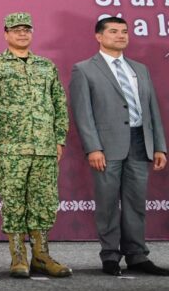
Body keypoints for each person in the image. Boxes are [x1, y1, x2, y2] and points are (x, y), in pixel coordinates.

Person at [70, 16, 168, 276]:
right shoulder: (84, 69)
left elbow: (152, 109)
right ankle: (110, 255)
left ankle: (137, 255)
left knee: (136, 203)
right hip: (106, 146)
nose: (121, 36)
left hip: (140, 142)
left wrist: (159, 146)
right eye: (113, 31)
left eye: (124, 31)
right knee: (108, 203)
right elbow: (82, 113)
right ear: (99, 36)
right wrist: (93, 147)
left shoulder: (140, 69)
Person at [0, 13, 72, 278]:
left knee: (44, 202)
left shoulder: (46, 66)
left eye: (26, 29)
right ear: (6, 33)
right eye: (16, 29)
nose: (22, 33)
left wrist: (59, 138)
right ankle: (18, 257)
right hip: (11, 148)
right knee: (13, 202)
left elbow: (59, 104)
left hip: (44, 147)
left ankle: (41, 256)